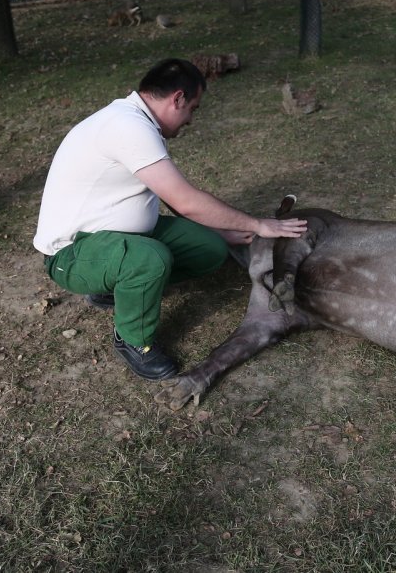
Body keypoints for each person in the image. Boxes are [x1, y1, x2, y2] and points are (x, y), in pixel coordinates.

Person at [34, 58, 306, 381]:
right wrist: (258, 225)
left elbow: (168, 192)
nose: (191, 119)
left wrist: (222, 231)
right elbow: (185, 200)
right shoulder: (127, 127)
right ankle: (133, 339)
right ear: (176, 98)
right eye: (192, 107)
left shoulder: (138, 121)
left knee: (209, 247)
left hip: (108, 237)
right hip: (71, 254)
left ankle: (118, 290)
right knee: (151, 260)